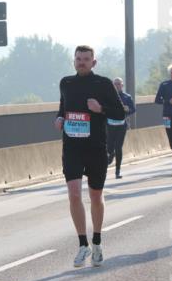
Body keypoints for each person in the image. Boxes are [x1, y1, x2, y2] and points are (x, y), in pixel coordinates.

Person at [54, 46, 125, 268]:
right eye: (78, 59)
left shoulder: (102, 84)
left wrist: (100, 108)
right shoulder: (66, 82)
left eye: (86, 59)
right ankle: (82, 244)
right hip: (72, 147)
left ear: (94, 62)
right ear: (73, 61)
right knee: (74, 194)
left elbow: (120, 113)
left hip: (96, 148)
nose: (81, 62)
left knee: (96, 196)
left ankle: (97, 241)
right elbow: (63, 107)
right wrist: (59, 119)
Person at [106, 77, 136, 179]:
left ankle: (117, 171)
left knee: (118, 147)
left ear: (122, 86)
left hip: (121, 126)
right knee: (109, 147)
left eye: (119, 84)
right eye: (115, 84)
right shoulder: (108, 96)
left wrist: (128, 110)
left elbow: (133, 110)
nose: (117, 86)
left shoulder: (127, 97)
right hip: (110, 125)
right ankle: (111, 154)